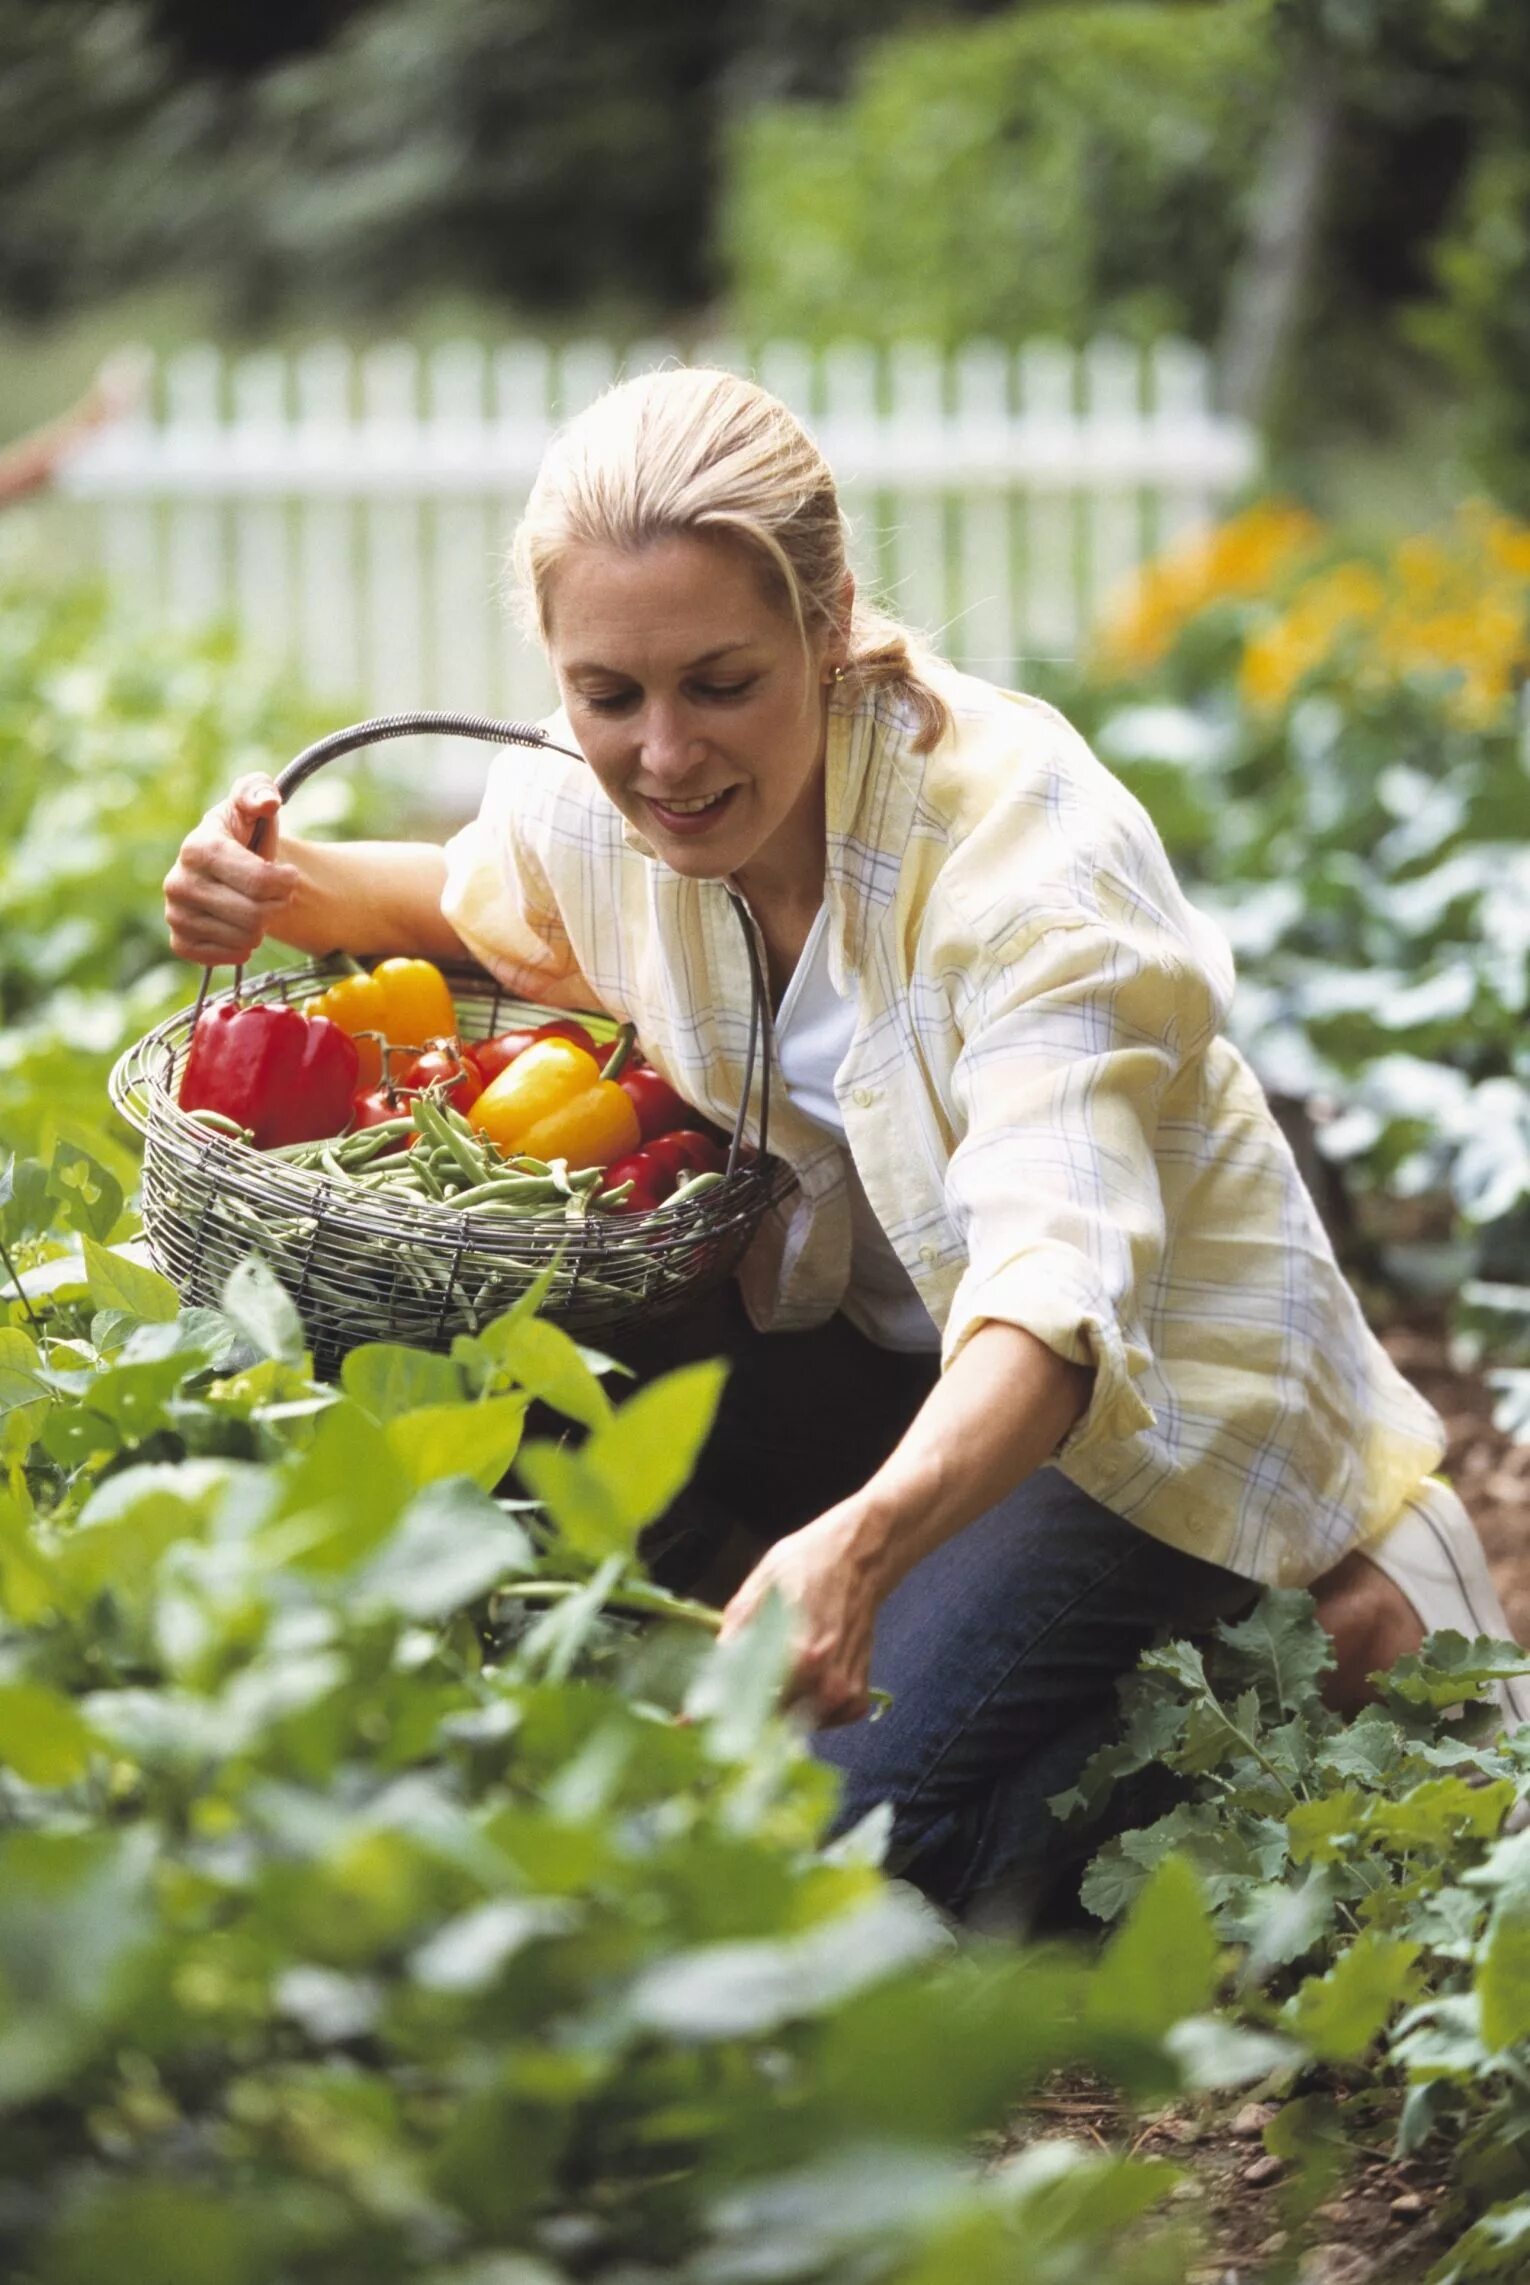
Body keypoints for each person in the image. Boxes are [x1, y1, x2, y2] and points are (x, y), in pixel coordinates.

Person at [164, 365, 1526, 1931]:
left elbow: (1054, 1300)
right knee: (477, 1376)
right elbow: (463, 902)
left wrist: (860, 1547)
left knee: (836, 1858)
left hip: (1134, 1414)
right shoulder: (592, 801)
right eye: (608, 694)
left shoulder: (1025, 864)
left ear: (828, 623)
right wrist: (266, 880)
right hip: (882, 1361)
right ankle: (912, 1627)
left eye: (720, 684)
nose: (662, 754)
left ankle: (1317, 1638)